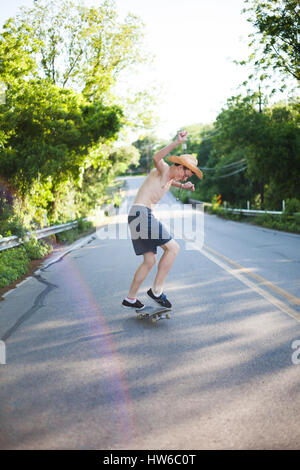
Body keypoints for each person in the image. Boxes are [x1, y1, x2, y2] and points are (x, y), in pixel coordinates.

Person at [122, 130, 203, 310]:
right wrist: (176, 142)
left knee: (149, 261)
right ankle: (157, 291)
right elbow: (157, 158)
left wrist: (184, 185)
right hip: (142, 214)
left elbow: (171, 182)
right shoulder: (163, 169)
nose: (184, 178)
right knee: (173, 248)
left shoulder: (169, 179)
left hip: (136, 216)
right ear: (180, 167)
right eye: (186, 175)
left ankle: (131, 298)